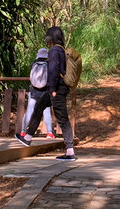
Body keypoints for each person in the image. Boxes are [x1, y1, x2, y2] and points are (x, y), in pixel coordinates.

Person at [15, 26, 76, 161]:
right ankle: (27, 137)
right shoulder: (62, 50)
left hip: (56, 89)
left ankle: (70, 151)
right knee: (39, 107)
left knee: (62, 119)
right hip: (58, 88)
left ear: (51, 38)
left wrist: (52, 89)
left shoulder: (54, 51)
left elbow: (53, 70)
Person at [20, 48, 55, 139]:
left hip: (33, 91)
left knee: (29, 111)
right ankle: (49, 133)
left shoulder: (33, 64)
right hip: (45, 91)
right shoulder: (48, 64)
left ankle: (23, 131)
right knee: (46, 111)